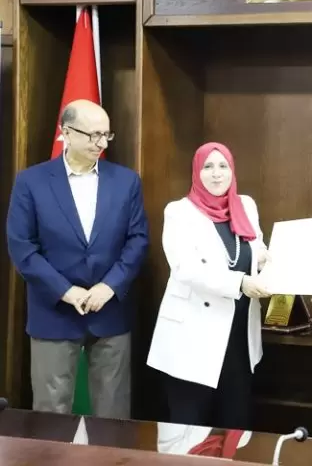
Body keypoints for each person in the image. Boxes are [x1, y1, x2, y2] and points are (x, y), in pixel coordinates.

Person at [6, 99, 148, 418]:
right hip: (54, 310)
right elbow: (22, 246)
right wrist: (65, 291)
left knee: (113, 414)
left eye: (106, 135)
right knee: (50, 414)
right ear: (66, 132)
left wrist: (109, 287)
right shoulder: (31, 182)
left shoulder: (126, 181)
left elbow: (137, 240)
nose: (101, 143)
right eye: (93, 135)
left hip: (110, 310)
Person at [146, 142, 272, 430]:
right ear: (196, 172)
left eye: (223, 166)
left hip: (238, 336)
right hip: (193, 336)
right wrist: (240, 282)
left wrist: (268, 263)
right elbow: (186, 269)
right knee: (189, 429)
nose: (217, 174)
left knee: (235, 426)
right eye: (208, 167)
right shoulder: (179, 212)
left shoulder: (246, 205)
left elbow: (257, 247)